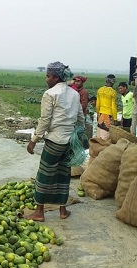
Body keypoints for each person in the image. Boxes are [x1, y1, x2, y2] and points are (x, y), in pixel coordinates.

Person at [26, 61, 85, 222]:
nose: (46, 79)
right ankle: (63, 210)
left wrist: (33, 140)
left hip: (54, 141)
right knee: (63, 175)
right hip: (68, 143)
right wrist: (78, 137)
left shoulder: (50, 94)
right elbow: (81, 119)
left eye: (48, 76)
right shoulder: (74, 94)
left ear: (56, 77)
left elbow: (45, 120)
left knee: (44, 175)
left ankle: (39, 212)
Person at [96, 74, 118, 140]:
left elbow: (97, 104)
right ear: (113, 82)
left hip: (101, 114)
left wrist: (98, 114)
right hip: (108, 115)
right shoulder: (113, 92)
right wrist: (115, 119)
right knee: (105, 136)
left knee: (99, 134)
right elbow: (113, 107)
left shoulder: (100, 90)